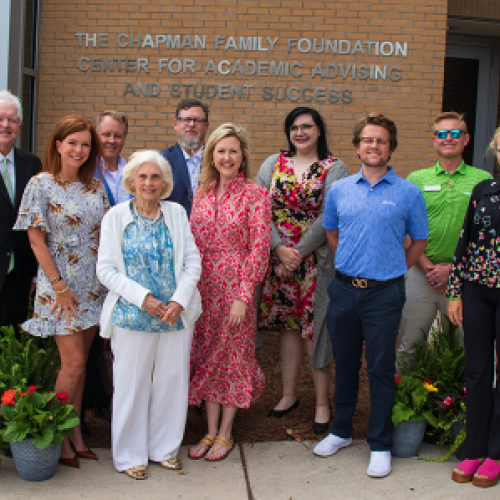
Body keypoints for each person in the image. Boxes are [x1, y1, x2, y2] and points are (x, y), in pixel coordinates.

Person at [314, 113, 428, 478]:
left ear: (391, 147)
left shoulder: (408, 192)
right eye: (367, 140)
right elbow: (332, 235)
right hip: (345, 290)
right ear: (357, 145)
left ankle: (380, 443)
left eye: (380, 140)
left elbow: (419, 242)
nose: (373, 146)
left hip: (385, 294)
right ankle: (341, 431)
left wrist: (394, 269)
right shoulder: (340, 190)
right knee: (345, 364)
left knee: (379, 369)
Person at [97, 150, 202, 480]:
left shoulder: (176, 214)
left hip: (174, 316)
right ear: (131, 180)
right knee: (131, 385)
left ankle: (165, 449)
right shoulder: (115, 216)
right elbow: (106, 270)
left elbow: (192, 263)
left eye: (155, 176)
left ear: (165, 182)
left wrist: (178, 301)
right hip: (132, 316)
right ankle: (130, 455)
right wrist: (145, 299)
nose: (148, 182)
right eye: (142, 176)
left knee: (171, 384)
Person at [13, 115, 109, 467]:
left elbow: (104, 236)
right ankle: (56, 437)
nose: (79, 150)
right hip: (60, 289)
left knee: (82, 367)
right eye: (73, 142)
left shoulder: (96, 187)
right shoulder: (41, 184)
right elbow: (35, 241)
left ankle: (76, 434)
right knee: (73, 363)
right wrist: (58, 286)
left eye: (85, 144)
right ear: (58, 145)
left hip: (93, 288)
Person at [257, 106, 348, 433]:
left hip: (316, 262)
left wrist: (296, 253)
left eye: (307, 126)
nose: (300, 132)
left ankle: (323, 402)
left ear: (319, 130)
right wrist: (279, 249)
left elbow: (330, 215)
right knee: (288, 328)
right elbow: (259, 208)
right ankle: (288, 394)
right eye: (294, 127)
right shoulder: (273, 163)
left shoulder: (334, 168)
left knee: (316, 330)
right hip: (278, 259)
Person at [188, 123, 272, 461]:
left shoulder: (255, 194)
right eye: (220, 151)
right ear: (212, 155)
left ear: (242, 157)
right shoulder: (202, 192)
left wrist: (243, 295)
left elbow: (259, 249)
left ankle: (226, 432)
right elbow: (191, 242)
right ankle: (209, 430)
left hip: (236, 285)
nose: (226, 157)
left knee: (233, 358)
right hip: (203, 287)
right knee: (208, 355)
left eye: (233, 151)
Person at [399, 111, 492, 362]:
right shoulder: (416, 180)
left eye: (455, 133)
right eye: (442, 134)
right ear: (434, 140)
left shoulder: (483, 181)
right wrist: (430, 268)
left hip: (465, 279)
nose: (448, 138)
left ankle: (459, 402)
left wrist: (452, 270)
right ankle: (406, 401)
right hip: (421, 274)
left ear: (466, 138)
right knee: (411, 346)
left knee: (464, 348)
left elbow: (486, 235)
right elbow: (405, 229)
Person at [447, 126, 500, 488]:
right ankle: (475, 447)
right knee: (478, 369)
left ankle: (496, 452)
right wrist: (455, 291)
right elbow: (464, 241)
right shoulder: (484, 190)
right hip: (477, 290)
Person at [0, 90, 41, 331]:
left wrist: (35, 274)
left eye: (12, 120)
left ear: (20, 124)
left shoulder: (33, 164)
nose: (6, 125)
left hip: (20, 277)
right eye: (1, 119)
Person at [161, 98, 210, 216]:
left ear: (206, 126)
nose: (191, 124)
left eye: (198, 120)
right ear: (175, 124)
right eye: (186, 120)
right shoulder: (162, 161)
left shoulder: (217, 160)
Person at [95, 110, 132, 206]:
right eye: (106, 134)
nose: (112, 141)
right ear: (96, 136)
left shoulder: (132, 173)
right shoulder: (86, 172)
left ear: (124, 138)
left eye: (117, 136)